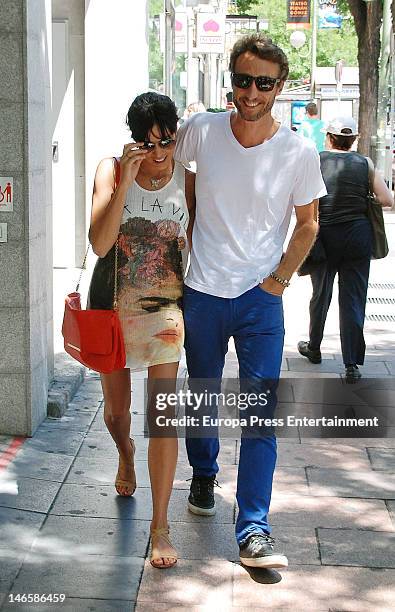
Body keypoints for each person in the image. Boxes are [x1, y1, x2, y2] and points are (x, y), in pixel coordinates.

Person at [174, 33, 326, 568]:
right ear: (231, 81)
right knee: (201, 397)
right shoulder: (201, 130)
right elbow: (177, 182)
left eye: (264, 82)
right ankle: (203, 471)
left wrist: (279, 281)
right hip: (204, 291)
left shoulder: (298, 151)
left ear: (280, 87)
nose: (252, 92)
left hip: (261, 299)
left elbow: (308, 226)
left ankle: (254, 527)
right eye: (243, 80)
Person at [88, 92, 194, 569]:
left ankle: (160, 526)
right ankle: (125, 453)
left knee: (163, 415)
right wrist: (125, 182)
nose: (157, 154)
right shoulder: (111, 170)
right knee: (115, 414)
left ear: (176, 135)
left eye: (166, 142)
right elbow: (100, 242)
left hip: (165, 309)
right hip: (111, 305)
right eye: (146, 144)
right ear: (132, 140)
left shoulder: (189, 182)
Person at [297, 116, 393, 382]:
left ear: (328, 137)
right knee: (353, 299)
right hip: (357, 238)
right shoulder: (365, 163)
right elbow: (386, 199)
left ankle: (314, 347)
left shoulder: (316, 160)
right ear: (354, 141)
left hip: (324, 238)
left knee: (321, 295)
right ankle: (351, 363)